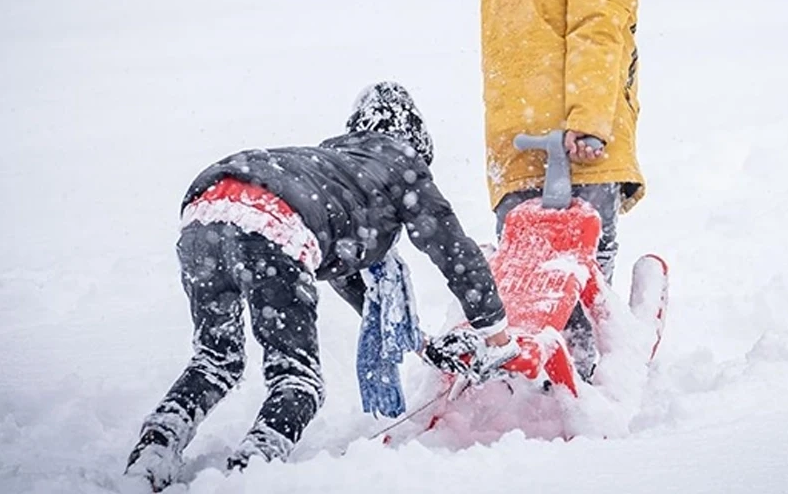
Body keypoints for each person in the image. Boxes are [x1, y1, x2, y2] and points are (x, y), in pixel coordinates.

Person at [125, 82, 517, 491]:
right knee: (298, 381)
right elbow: (454, 251)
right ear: (416, 140)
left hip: (205, 209)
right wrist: (496, 335)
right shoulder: (401, 163)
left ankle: (155, 449)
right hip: (272, 221)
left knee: (215, 361)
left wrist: (424, 345)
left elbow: (363, 297)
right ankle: (251, 469)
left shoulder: (333, 170)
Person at [480, 0, 649, 377]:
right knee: (585, 267)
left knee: (531, 278)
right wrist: (589, 122)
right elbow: (598, 32)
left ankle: (529, 373)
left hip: (513, 144)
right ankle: (589, 373)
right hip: (577, 139)